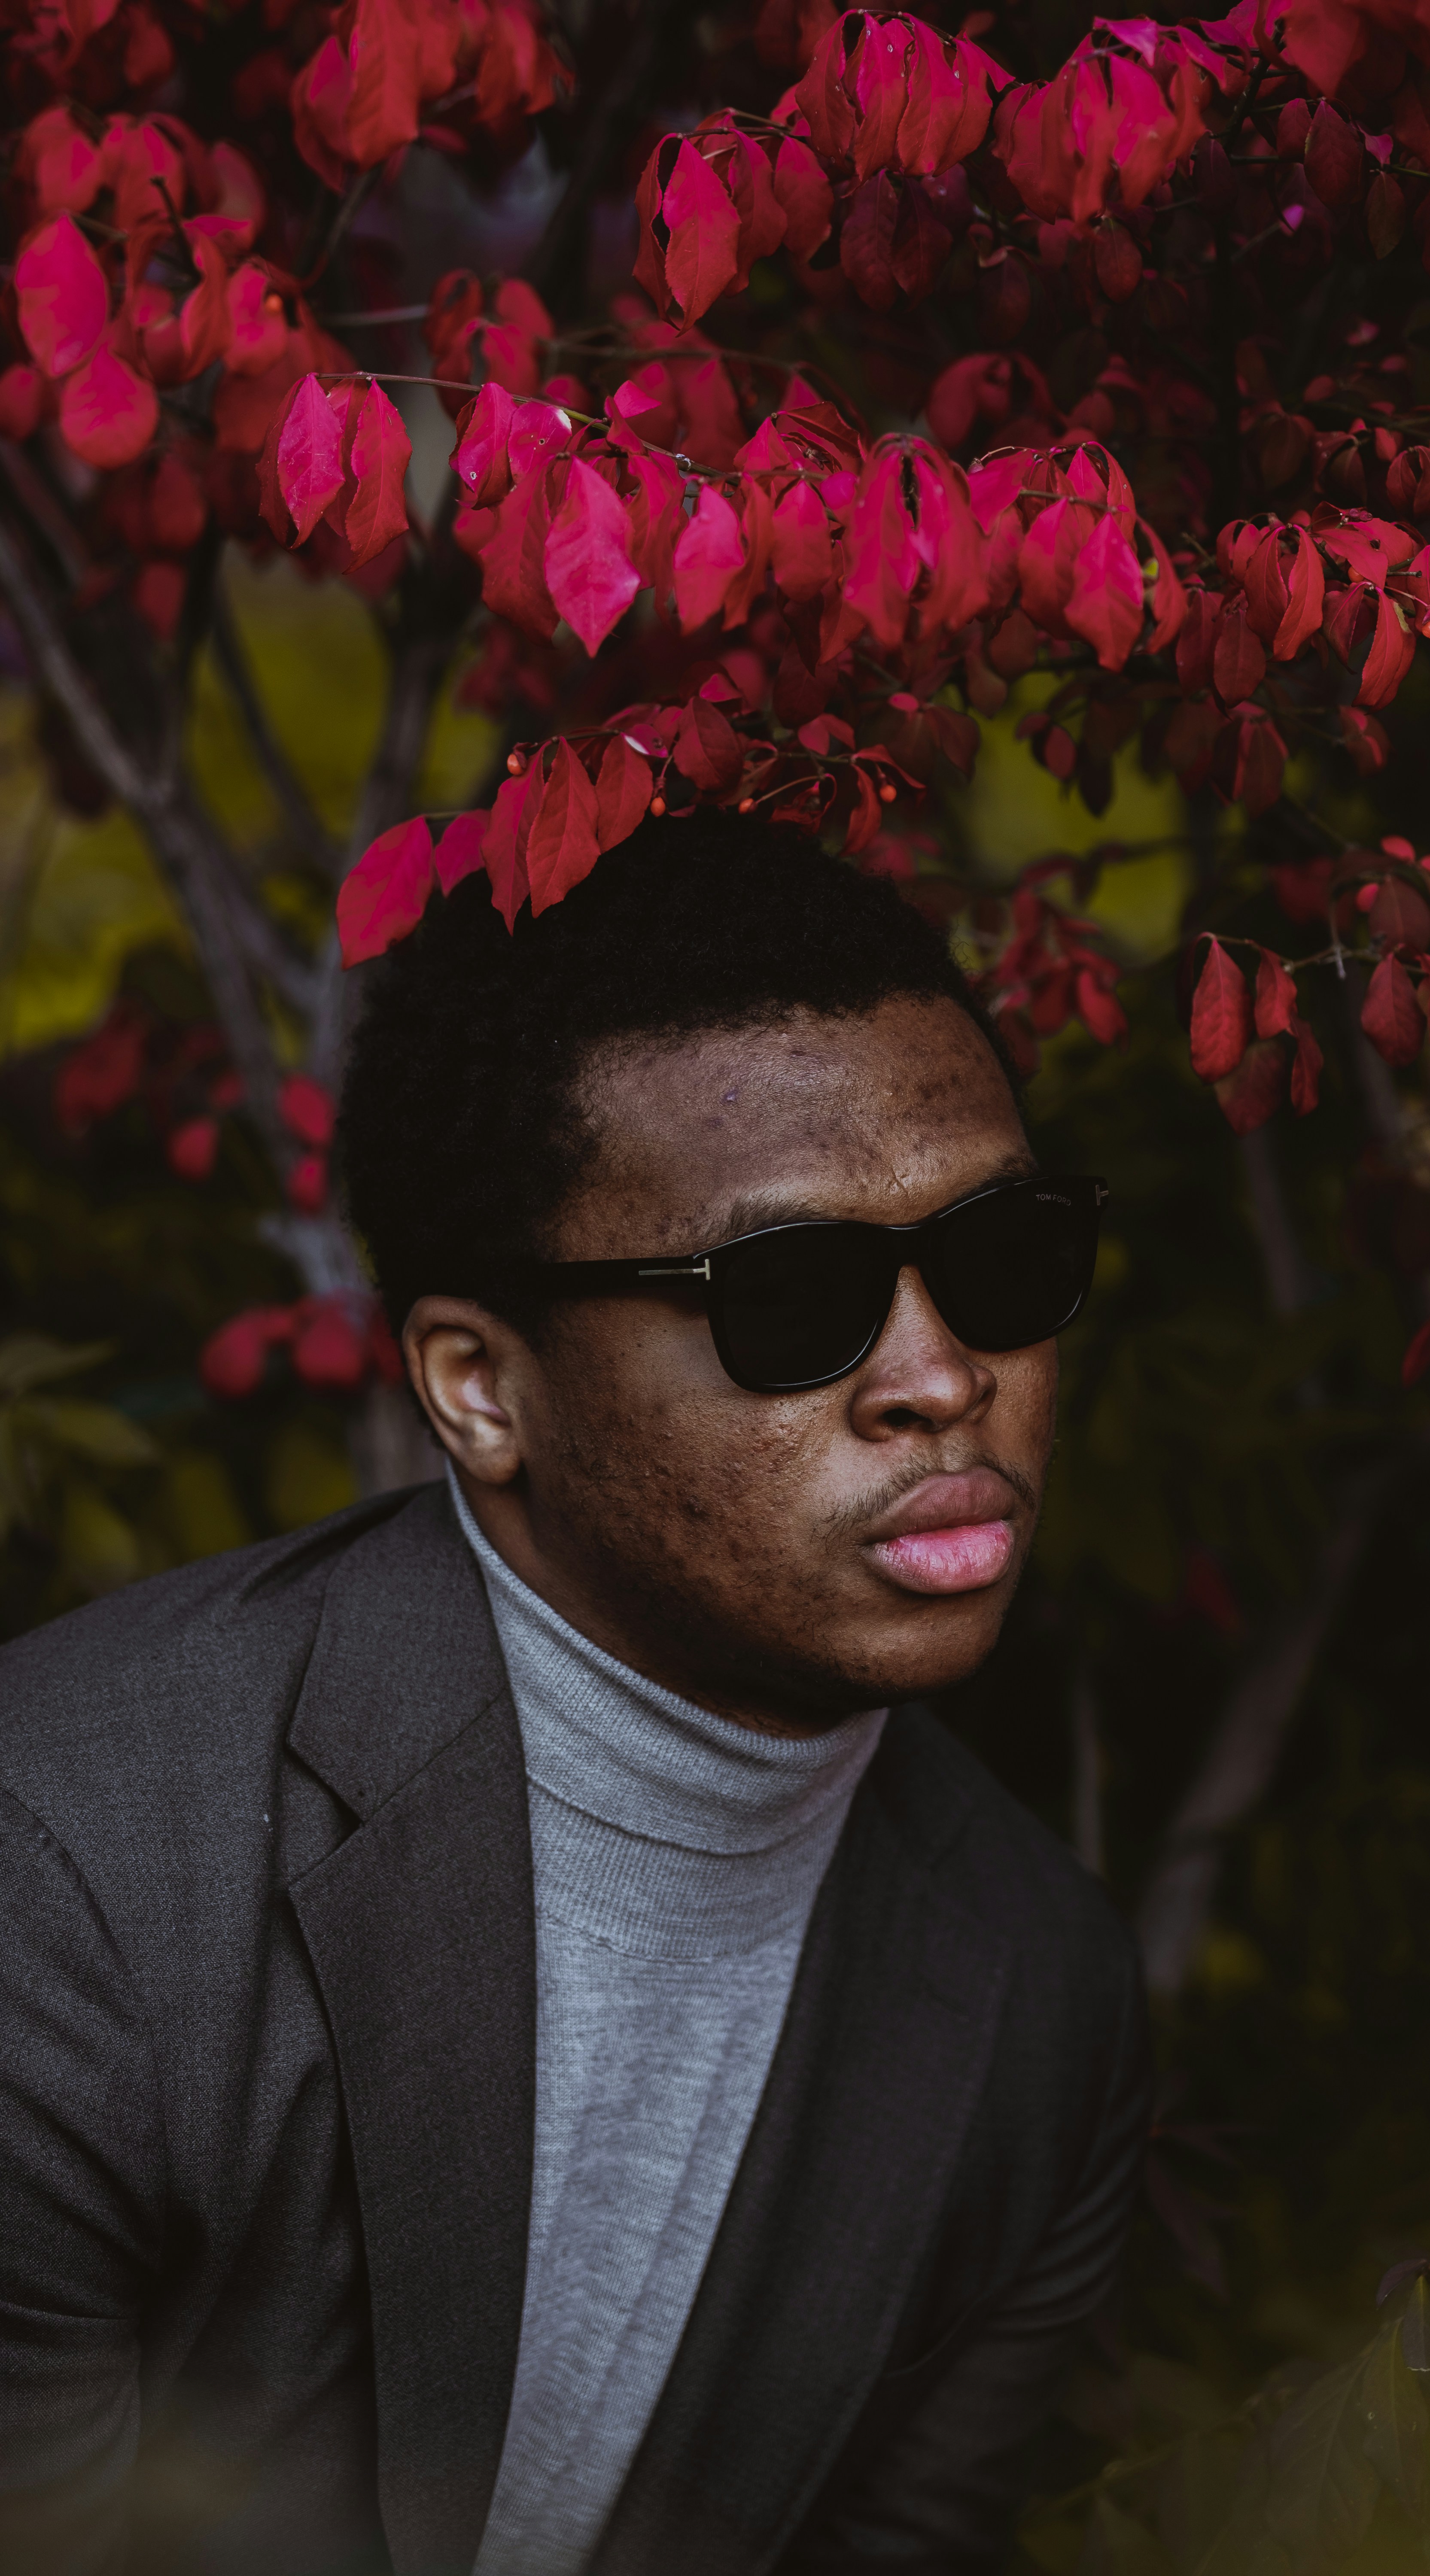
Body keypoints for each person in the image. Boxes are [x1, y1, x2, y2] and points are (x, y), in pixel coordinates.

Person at [0, 812, 1148, 2576]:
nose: (941, 1378)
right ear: (479, 1388)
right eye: (794, 1297)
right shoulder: (71, 1870)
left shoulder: (1031, 1990)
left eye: (1003, 1261)